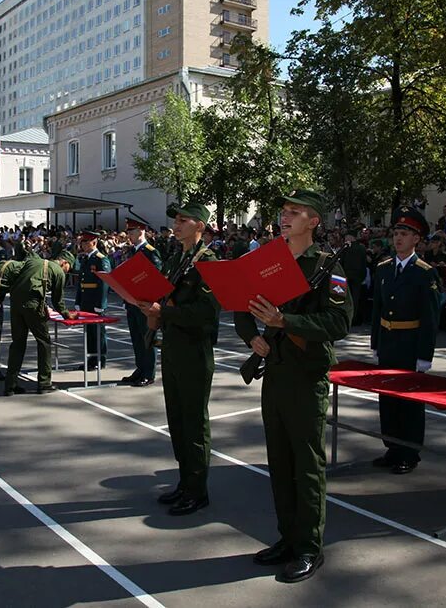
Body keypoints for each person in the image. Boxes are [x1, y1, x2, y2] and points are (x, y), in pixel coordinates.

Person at [234, 189, 351, 583]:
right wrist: (252, 336)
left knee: (307, 464)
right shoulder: (269, 261)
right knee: (280, 462)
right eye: (283, 210)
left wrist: (287, 323)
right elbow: (242, 304)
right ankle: (287, 538)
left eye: (295, 212)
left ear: (313, 221)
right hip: (277, 372)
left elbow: (338, 325)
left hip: (306, 377)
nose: (285, 216)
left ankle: (308, 548)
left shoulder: (328, 267)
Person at [139, 202, 220, 517]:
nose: (176, 225)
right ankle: (185, 481)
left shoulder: (209, 262)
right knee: (176, 419)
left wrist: (165, 312)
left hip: (194, 350)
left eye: (183, 220)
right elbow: (164, 296)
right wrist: (152, 312)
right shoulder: (176, 258)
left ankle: (198, 490)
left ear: (200, 225)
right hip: (172, 346)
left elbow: (206, 314)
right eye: (175, 220)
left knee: (194, 421)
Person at [370, 206, 441, 474]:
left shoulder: (424, 273)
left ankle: (409, 452)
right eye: (396, 233)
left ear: (416, 239)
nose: (398, 238)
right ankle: (392, 447)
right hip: (388, 341)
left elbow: (430, 317)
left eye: (405, 234)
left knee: (409, 402)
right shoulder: (384, 269)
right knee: (387, 399)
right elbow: (377, 308)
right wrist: (376, 342)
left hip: (410, 343)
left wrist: (425, 354)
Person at [3, 251, 76, 396]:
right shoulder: (58, 272)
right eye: (69, 268)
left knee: (18, 343)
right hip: (33, 307)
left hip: (15, 304)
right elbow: (58, 301)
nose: (68, 271)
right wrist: (67, 315)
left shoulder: (33, 262)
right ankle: (44, 383)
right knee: (44, 342)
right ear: (65, 263)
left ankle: (10, 385)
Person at [122, 219, 162, 387]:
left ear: (141, 232)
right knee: (136, 338)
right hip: (132, 302)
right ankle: (140, 368)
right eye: (129, 232)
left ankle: (149, 373)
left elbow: (156, 278)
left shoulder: (150, 252)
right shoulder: (132, 252)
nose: (129, 236)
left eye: (132, 232)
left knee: (147, 338)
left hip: (145, 303)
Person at [75, 230, 111, 371]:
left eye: (86, 242)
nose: (83, 245)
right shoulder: (86, 259)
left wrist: (100, 304)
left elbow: (104, 283)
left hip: (95, 302)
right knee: (89, 332)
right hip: (86, 301)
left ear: (94, 242)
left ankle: (100, 359)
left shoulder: (101, 259)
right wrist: (78, 301)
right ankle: (91, 359)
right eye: (82, 242)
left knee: (98, 333)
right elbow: (81, 282)